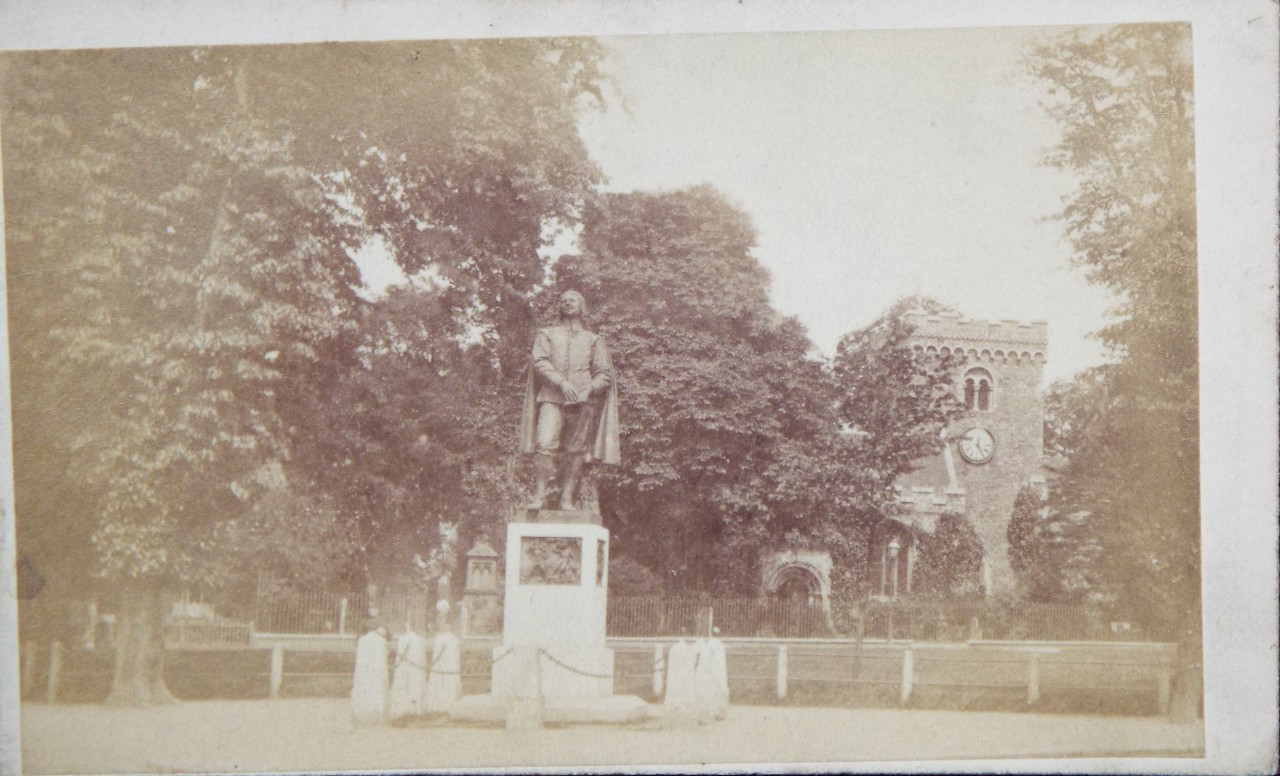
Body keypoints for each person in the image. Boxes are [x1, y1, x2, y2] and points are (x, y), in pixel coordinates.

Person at [518, 290, 620, 510]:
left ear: (581, 307)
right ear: (559, 307)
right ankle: (540, 496)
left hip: (582, 402)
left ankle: (566, 497)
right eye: (563, 300)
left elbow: (604, 374)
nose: (567, 303)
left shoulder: (594, 340)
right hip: (552, 397)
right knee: (544, 444)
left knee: (576, 451)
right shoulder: (546, 334)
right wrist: (561, 383)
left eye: (572, 300)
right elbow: (541, 362)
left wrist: (588, 390)